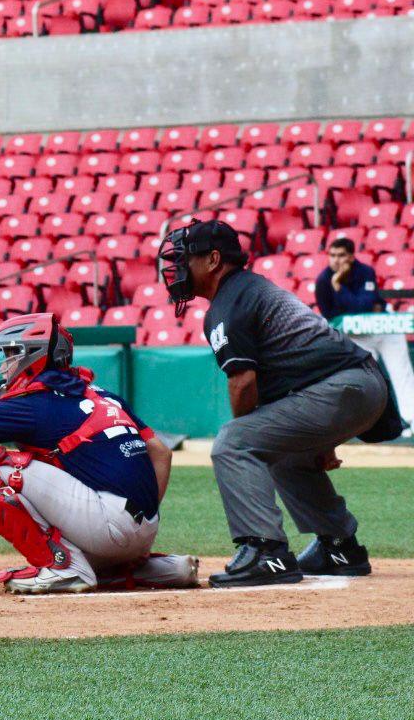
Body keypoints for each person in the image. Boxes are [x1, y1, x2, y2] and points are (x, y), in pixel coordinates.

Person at [0, 312, 198, 595]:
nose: (5, 365)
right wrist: (139, 519)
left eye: (11, 354)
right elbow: (161, 454)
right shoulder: (103, 395)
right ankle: (135, 565)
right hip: (140, 529)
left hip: (107, 526)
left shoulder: (32, 403)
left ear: (34, 356)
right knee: (54, 461)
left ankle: (63, 567)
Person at [159, 220, 390, 586]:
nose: (178, 267)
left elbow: (243, 383)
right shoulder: (248, 291)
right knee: (284, 454)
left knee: (235, 442)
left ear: (214, 259)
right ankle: (339, 546)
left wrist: (245, 435)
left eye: (187, 258)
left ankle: (267, 553)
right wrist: (318, 441)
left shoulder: (229, 304)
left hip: (343, 386)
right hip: (357, 385)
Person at [316, 237, 414, 428]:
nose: (336, 260)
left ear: (351, 257)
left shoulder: (365, 271)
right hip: (355, 336)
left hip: (383, 329)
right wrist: (337, 286)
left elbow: (364, 306)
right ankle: (361, 425)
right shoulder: (323, 280)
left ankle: (412, 420)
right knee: (358, 380)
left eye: (341, 255)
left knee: (402, 373)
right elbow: (330, 315)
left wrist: (339, 288)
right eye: (332, 255)